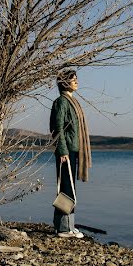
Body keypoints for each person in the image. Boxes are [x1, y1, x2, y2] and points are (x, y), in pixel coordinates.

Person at [49, 68, 92, 238]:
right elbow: (57, 127)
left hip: (73, 150)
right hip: (65, 151)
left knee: (69, 187)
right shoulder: (61, 102)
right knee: (66, 188)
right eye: (73, 79)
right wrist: (62, 150)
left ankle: (64, 226)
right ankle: (65, 229)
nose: (76, 81)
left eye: (76, 78)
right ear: (65, 82)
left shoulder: (73, 102)